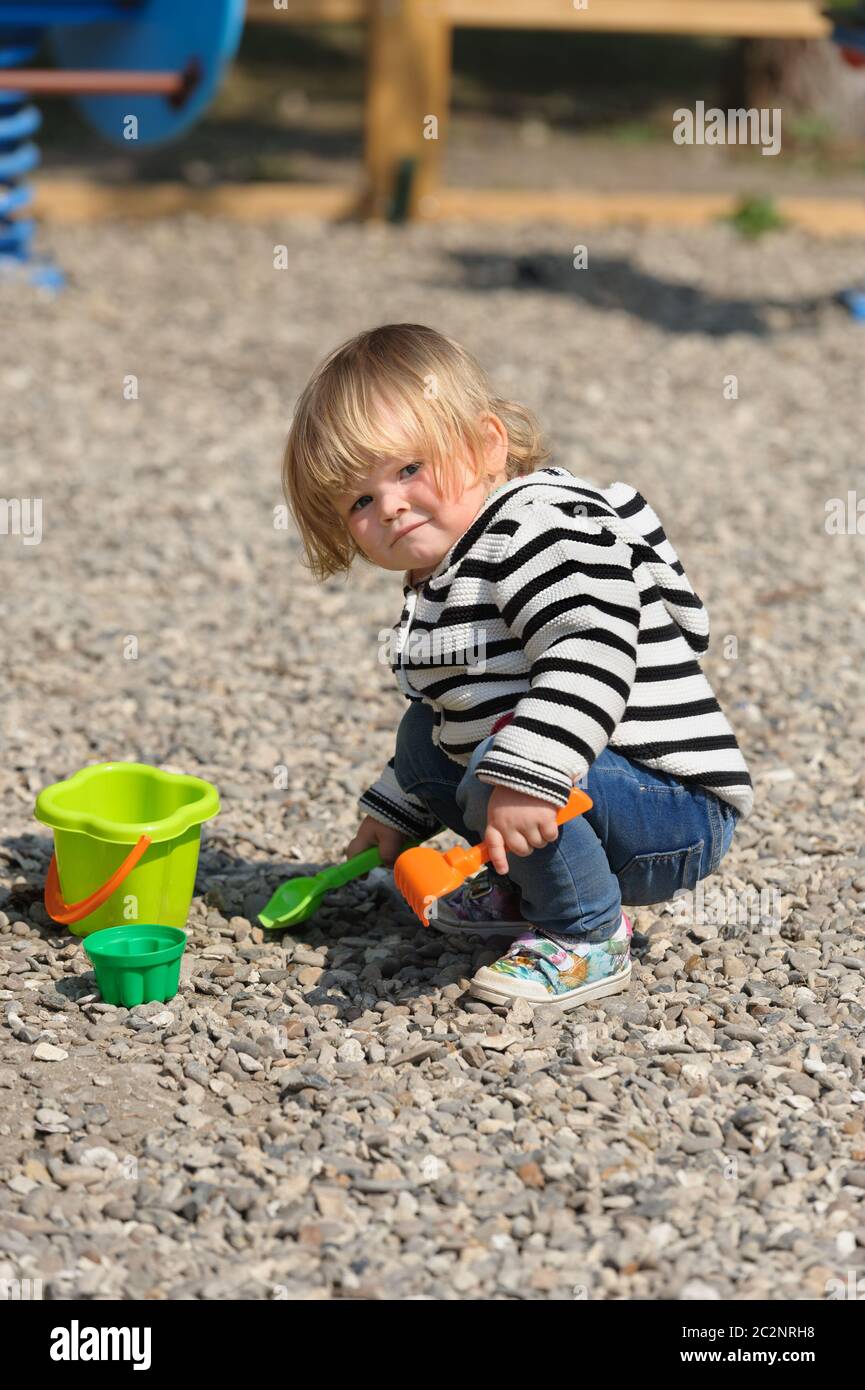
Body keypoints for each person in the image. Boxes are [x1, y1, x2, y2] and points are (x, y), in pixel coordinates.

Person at [281, 323, 752, 1010]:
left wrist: (531, 777)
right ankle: (531, 882)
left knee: (510, 754)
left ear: (485, 444)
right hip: (592, 786)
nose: (389, 505)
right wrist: (396, 811)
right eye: (359, 501)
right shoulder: (444, 567)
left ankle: (586, 933)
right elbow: (453, 711)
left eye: (409, 469)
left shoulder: (537, 529)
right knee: (424, 733)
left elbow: (589, 648)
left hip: (670, 811)